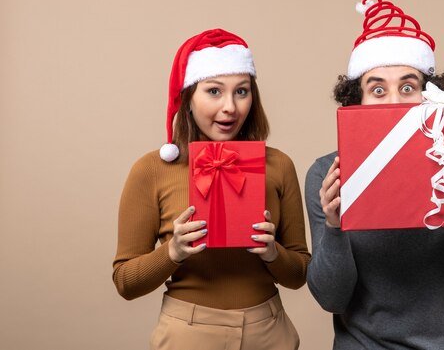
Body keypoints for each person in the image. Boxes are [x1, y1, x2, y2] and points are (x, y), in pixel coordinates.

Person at [305, 0, 444, 350]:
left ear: (427, 95)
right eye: (378, 89)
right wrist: (334, 226)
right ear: (357, 99)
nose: (395, 101)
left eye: (408, 87)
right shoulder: (327, 173)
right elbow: (331, 300)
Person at [113, 29, 310, 350]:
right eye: (214, 91)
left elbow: (299, 275)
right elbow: (125, 283)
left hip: (270, 330)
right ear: (188, 97)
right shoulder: (152, 169)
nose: (230, 107)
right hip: (188, 332)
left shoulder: (278, 165)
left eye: (241, 92)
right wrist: (172, 251)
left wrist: (273, 253)